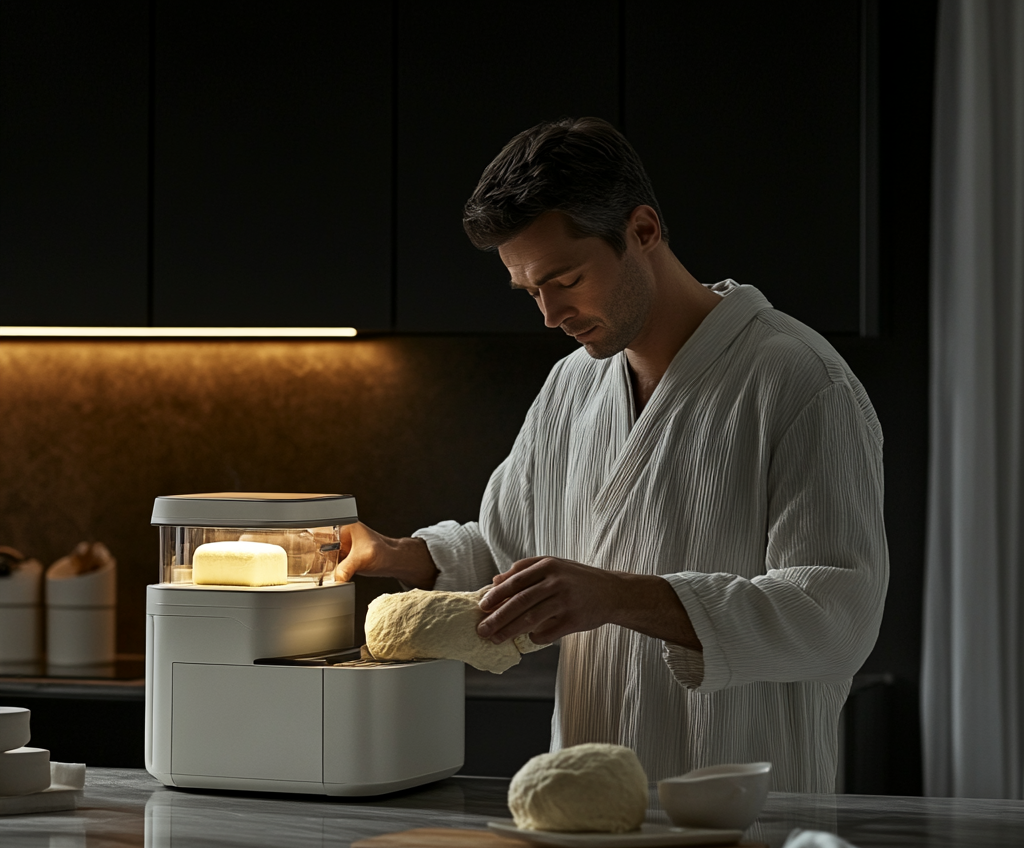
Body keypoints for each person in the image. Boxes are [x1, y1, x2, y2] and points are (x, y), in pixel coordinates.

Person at [337, 117, 888, 792]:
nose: (548, 314)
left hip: (749, 814)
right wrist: (400, 555)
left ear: (644, 231)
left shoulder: (801, 383)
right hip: (584, 804)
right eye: (531, 290)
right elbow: (511, 551)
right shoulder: (573, 385)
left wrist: (618, 596)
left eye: (565, 278)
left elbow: (836, 616)